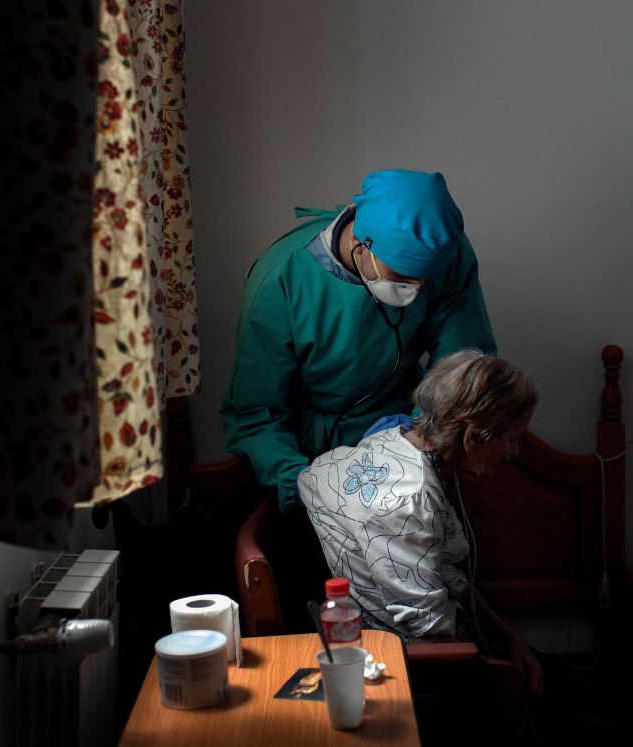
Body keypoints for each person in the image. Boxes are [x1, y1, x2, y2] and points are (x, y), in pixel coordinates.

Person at [221, 169, 496, 514]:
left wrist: (420, 440)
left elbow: (462, 362)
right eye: (401, 275)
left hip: (407, 436)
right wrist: (303, 487)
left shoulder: (445, 252)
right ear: (359, 243)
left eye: (425, 278)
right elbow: (254, 412)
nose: (416, 289)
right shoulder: (281, 280)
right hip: (307, 454)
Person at [297, 349, 544, 695]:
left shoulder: (397, 441)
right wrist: (503, 678)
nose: (514, 452)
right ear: (473, 437)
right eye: (513, 438)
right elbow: (432, 636)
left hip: (438, 638)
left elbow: (443, 574)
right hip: (409, 671)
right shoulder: (406, 502)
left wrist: (508, 636)